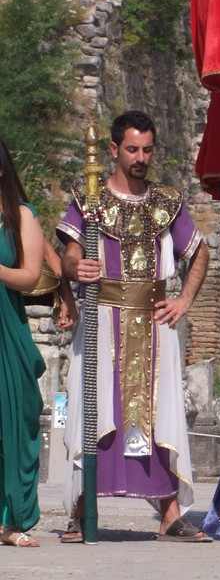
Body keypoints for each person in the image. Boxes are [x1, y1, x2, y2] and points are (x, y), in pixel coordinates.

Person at [56, 111, 211, 542]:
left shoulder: (167, 201)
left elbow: (199, 253)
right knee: (94, 410)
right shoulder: (89, 199)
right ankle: (81, 510)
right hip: (102, 318)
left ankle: (170, 514)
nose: (140, 157)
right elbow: (68, 256)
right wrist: (77, 268)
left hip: (155, 323)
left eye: (146, 150)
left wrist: (184, 300)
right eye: (132, 149)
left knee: (160, 415)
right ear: (113, 149)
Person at [0, 139, 47, 548]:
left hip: (5, 327)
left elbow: (31, 276)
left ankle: (10, 519)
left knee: (13, 419)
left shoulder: (20, 215)